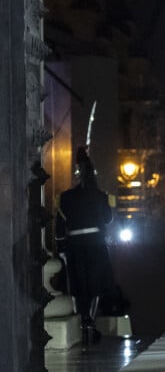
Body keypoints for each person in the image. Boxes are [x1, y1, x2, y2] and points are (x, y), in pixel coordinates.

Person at [55, 147, 115, 345]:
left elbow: (60, 227)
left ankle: (84, 319)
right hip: (96, 244)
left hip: (76, 245)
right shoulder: (100, 195)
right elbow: (108, 219)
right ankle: (89, 320)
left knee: (79, 284)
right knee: (95, 285)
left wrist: (61, 246)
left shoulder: (66, 198)